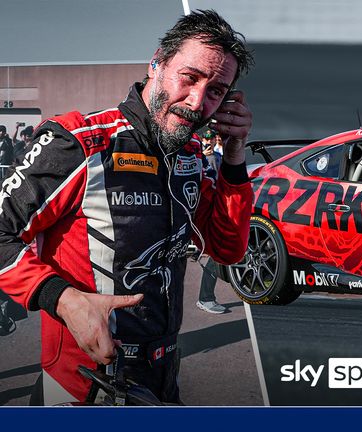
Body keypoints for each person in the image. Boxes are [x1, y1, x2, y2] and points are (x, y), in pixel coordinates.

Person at [0, 10, 254, 405]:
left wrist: (235, 158)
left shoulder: (190, 156)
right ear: (157, 63)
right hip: (81, 385)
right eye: (189, 78)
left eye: (217, 91)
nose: (197, 102)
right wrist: (63, 299)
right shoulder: (80, 142)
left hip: (161, 378)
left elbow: (227, 249)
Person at [196, 129, 227, 314]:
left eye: (211, 137)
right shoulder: (209, 158)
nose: (209, 140)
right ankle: (205, 298)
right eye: (206, 138)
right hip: (209, 212)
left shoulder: (215, 156)